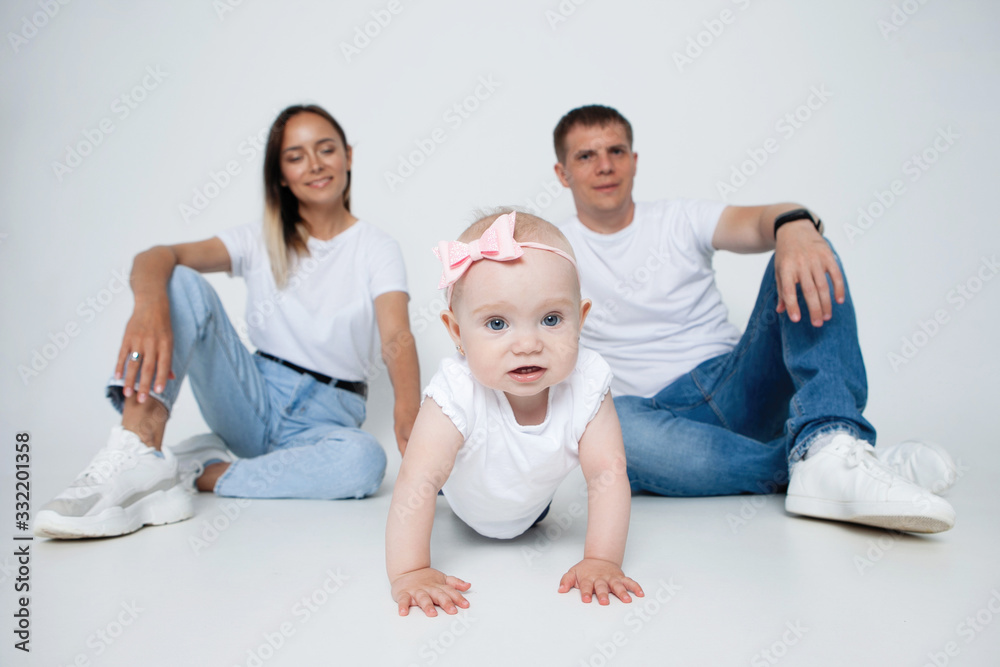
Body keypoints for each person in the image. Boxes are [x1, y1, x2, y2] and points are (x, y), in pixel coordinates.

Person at [551, 104, 957, 533]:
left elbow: (762, 219)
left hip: (737, 385)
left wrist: (796, 226)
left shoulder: (681, 218)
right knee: (607, 427)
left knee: (806, 250)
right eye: (586, 156)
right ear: (563, 173)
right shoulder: (556, 250)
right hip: (654, 423)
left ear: (634, 161)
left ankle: (830, 438)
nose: (604, 166)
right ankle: (826, 459)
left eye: (616, 151)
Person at [35, 104, 420, 539]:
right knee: (178, 279)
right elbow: (157, 256)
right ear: (280, 175)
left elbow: (397, 336)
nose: (314, 164)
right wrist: (148, 309)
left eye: (326, 149)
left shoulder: (376, 247)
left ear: (348, 156)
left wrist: (412, 418)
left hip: (328, 417)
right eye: (295, 156)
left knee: (364, 462)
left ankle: (196, 471)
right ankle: (137, 453)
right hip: (252, 397)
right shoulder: (257, 239)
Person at [385, 211, 643, 616]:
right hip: (462, 493)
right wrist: (410, 571)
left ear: (582, 318)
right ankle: (443, 461)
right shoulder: (458, 388)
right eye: (497, 323)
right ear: (456, 333)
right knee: (428, 469)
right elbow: (415, 481)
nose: (527, 343)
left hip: (532, 504)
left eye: (551, 319)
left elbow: (607, 475)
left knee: (552, 476)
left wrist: (602, 559)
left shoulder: (588, 380)